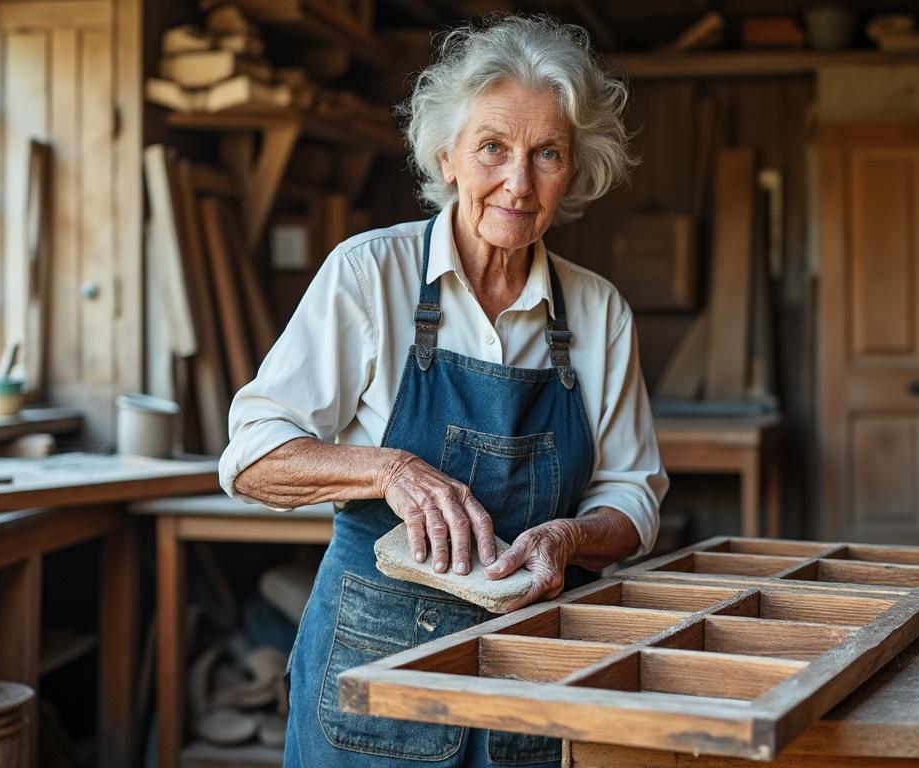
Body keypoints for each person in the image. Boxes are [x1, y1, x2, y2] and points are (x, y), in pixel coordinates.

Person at [218, 15, 668, 767]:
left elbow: (633, 497)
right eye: (493, 147)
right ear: (447, 155)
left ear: (575, 170)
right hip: (372, 675)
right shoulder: (370, 275)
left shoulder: (597, 312)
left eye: (547, 154)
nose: (518, 184)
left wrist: (570, 538)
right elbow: (251, 457)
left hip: (530, 674)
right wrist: (388, 469)